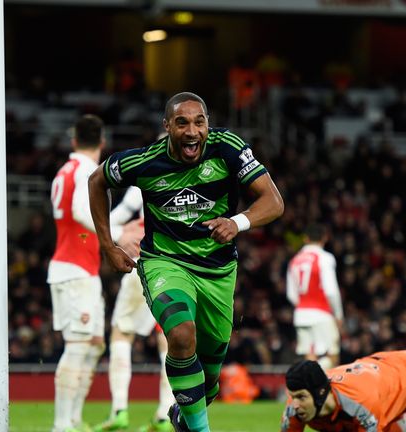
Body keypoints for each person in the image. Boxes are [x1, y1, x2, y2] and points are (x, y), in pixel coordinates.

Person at [88, 92, 284, 432]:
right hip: (165, 262)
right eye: (182, 123)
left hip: (218, 271)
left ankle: (185, 416)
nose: (192, 131)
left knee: (207, 382)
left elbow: (273, 201)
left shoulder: (228, 148)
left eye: (199, 122)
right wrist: (107, 245)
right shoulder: (145, 162)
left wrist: (236, 222)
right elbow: (96, 181)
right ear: (167, 127)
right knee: (179, 334)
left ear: (208, 124)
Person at [48, 114, 141, 432]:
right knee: (78, 344)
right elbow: (78, 211)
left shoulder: (64, 171)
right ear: (102, 143)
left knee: (95, 343)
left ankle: (73, 419)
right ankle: (63, 423)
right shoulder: (86, 170)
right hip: (75, 270)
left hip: (76, 268)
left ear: (74, 140)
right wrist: (116, 234)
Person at [93, 186, 176, 432]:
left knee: (122, 333)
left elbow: (112, 219)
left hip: (144, 263)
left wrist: (124, 232)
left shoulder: (142, 182)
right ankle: (165, 414)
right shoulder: (190, 180)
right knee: (167, 339)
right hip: (175, 269)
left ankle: (119, 410)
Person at [286, 224, 344, 370]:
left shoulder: (295, 260)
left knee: (309, 356)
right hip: (321, 313)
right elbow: (331, 290)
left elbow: (291, 294)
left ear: (306, 239)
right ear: (324, 238)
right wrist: (338, 315)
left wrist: (303, 307)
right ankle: (327, 388)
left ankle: (312, 388)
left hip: (301, 314)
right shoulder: (324, 258)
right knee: (332, 354)